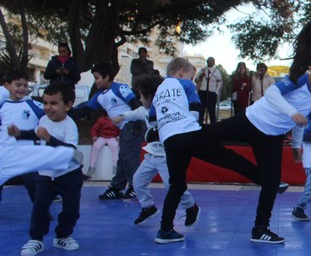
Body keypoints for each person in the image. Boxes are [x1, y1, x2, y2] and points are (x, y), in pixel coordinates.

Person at [205, 65, 311, 244]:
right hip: (252, 120)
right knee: (208, 135)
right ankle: (175, 135)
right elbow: (271, 93)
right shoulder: (300, 78)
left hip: (272, 136)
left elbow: (301, 122)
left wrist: (296, 145)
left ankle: (260, 229)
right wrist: (292, 112)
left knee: (272, 182)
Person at [151, 57, 264, 244]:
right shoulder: (185, 85)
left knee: (176, 184)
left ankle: (165, 230)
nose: (193, 80)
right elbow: (196, 108)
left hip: (170, 139)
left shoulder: (159, 91)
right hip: (189, 132)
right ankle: (266, 179)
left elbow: (153, 118)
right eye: (192, 76)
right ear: (181, 72)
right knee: (228, 158)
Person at [112, 75, 198, 228]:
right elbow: (133, 114)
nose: (139, 99)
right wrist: (122, 116)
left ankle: (190, 206)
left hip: (166, 156)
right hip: (151, 155)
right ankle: (148, 207)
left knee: (172, 186)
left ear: (150, 96)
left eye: (141, 95)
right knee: (138, 181)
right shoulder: (144, 110)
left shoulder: (169, 109)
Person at [9, 83, 84, 256]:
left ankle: (62, 236)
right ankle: (36, 239)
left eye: (54, 103)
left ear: (68, 105)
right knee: (40, 206)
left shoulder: (69, 126)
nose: (48, 107)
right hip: (46, 173)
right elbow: (37, 134)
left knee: (71, 210)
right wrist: (19, 134)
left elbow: (70, 151)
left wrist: (49, 138)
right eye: (45, 102)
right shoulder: (43, 120)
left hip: (69, 175)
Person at [70, 62, 144, 200]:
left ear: (107, 77)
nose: (95, 81)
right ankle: (117, 187)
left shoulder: (120, 88)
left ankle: (136, 187)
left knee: (128, 157)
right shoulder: (99, 96)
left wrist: (138, 123)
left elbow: (135, 104)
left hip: (133, 124)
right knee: (123, 157)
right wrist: (66, 114)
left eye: (97, 78)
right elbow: (85, 110)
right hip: (124, 128)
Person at [1, 69, 45, 203]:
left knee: (33, 186)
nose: (22, 88)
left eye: (25, 85)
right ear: (7, 85)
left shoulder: (34, 105)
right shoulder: (2, 106)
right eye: (18, 84)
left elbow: (51, 115)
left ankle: (41, 210)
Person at [85, 109, 120, 180]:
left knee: (116, 146)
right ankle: (91, 166)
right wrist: (94, 136)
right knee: (96, 145)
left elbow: (121, 128)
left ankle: (115, 167)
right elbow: (94, 129)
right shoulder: (102, 119)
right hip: (102, 137)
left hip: (112, 137)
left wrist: (119, 136)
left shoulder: (117, 119)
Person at [195, 57, 223, 124]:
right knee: (201, 110)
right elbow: (196, 80)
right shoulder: (203, 70)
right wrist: (200, 77)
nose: (209, 62)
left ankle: (213, 126)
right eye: (208, 61)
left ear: (214, 62)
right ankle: (200, 125)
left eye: (211, 61)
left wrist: (216, 92)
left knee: (212, 111)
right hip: (202, 92)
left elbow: (220, 82)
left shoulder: (216, 71)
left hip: (212, 93)